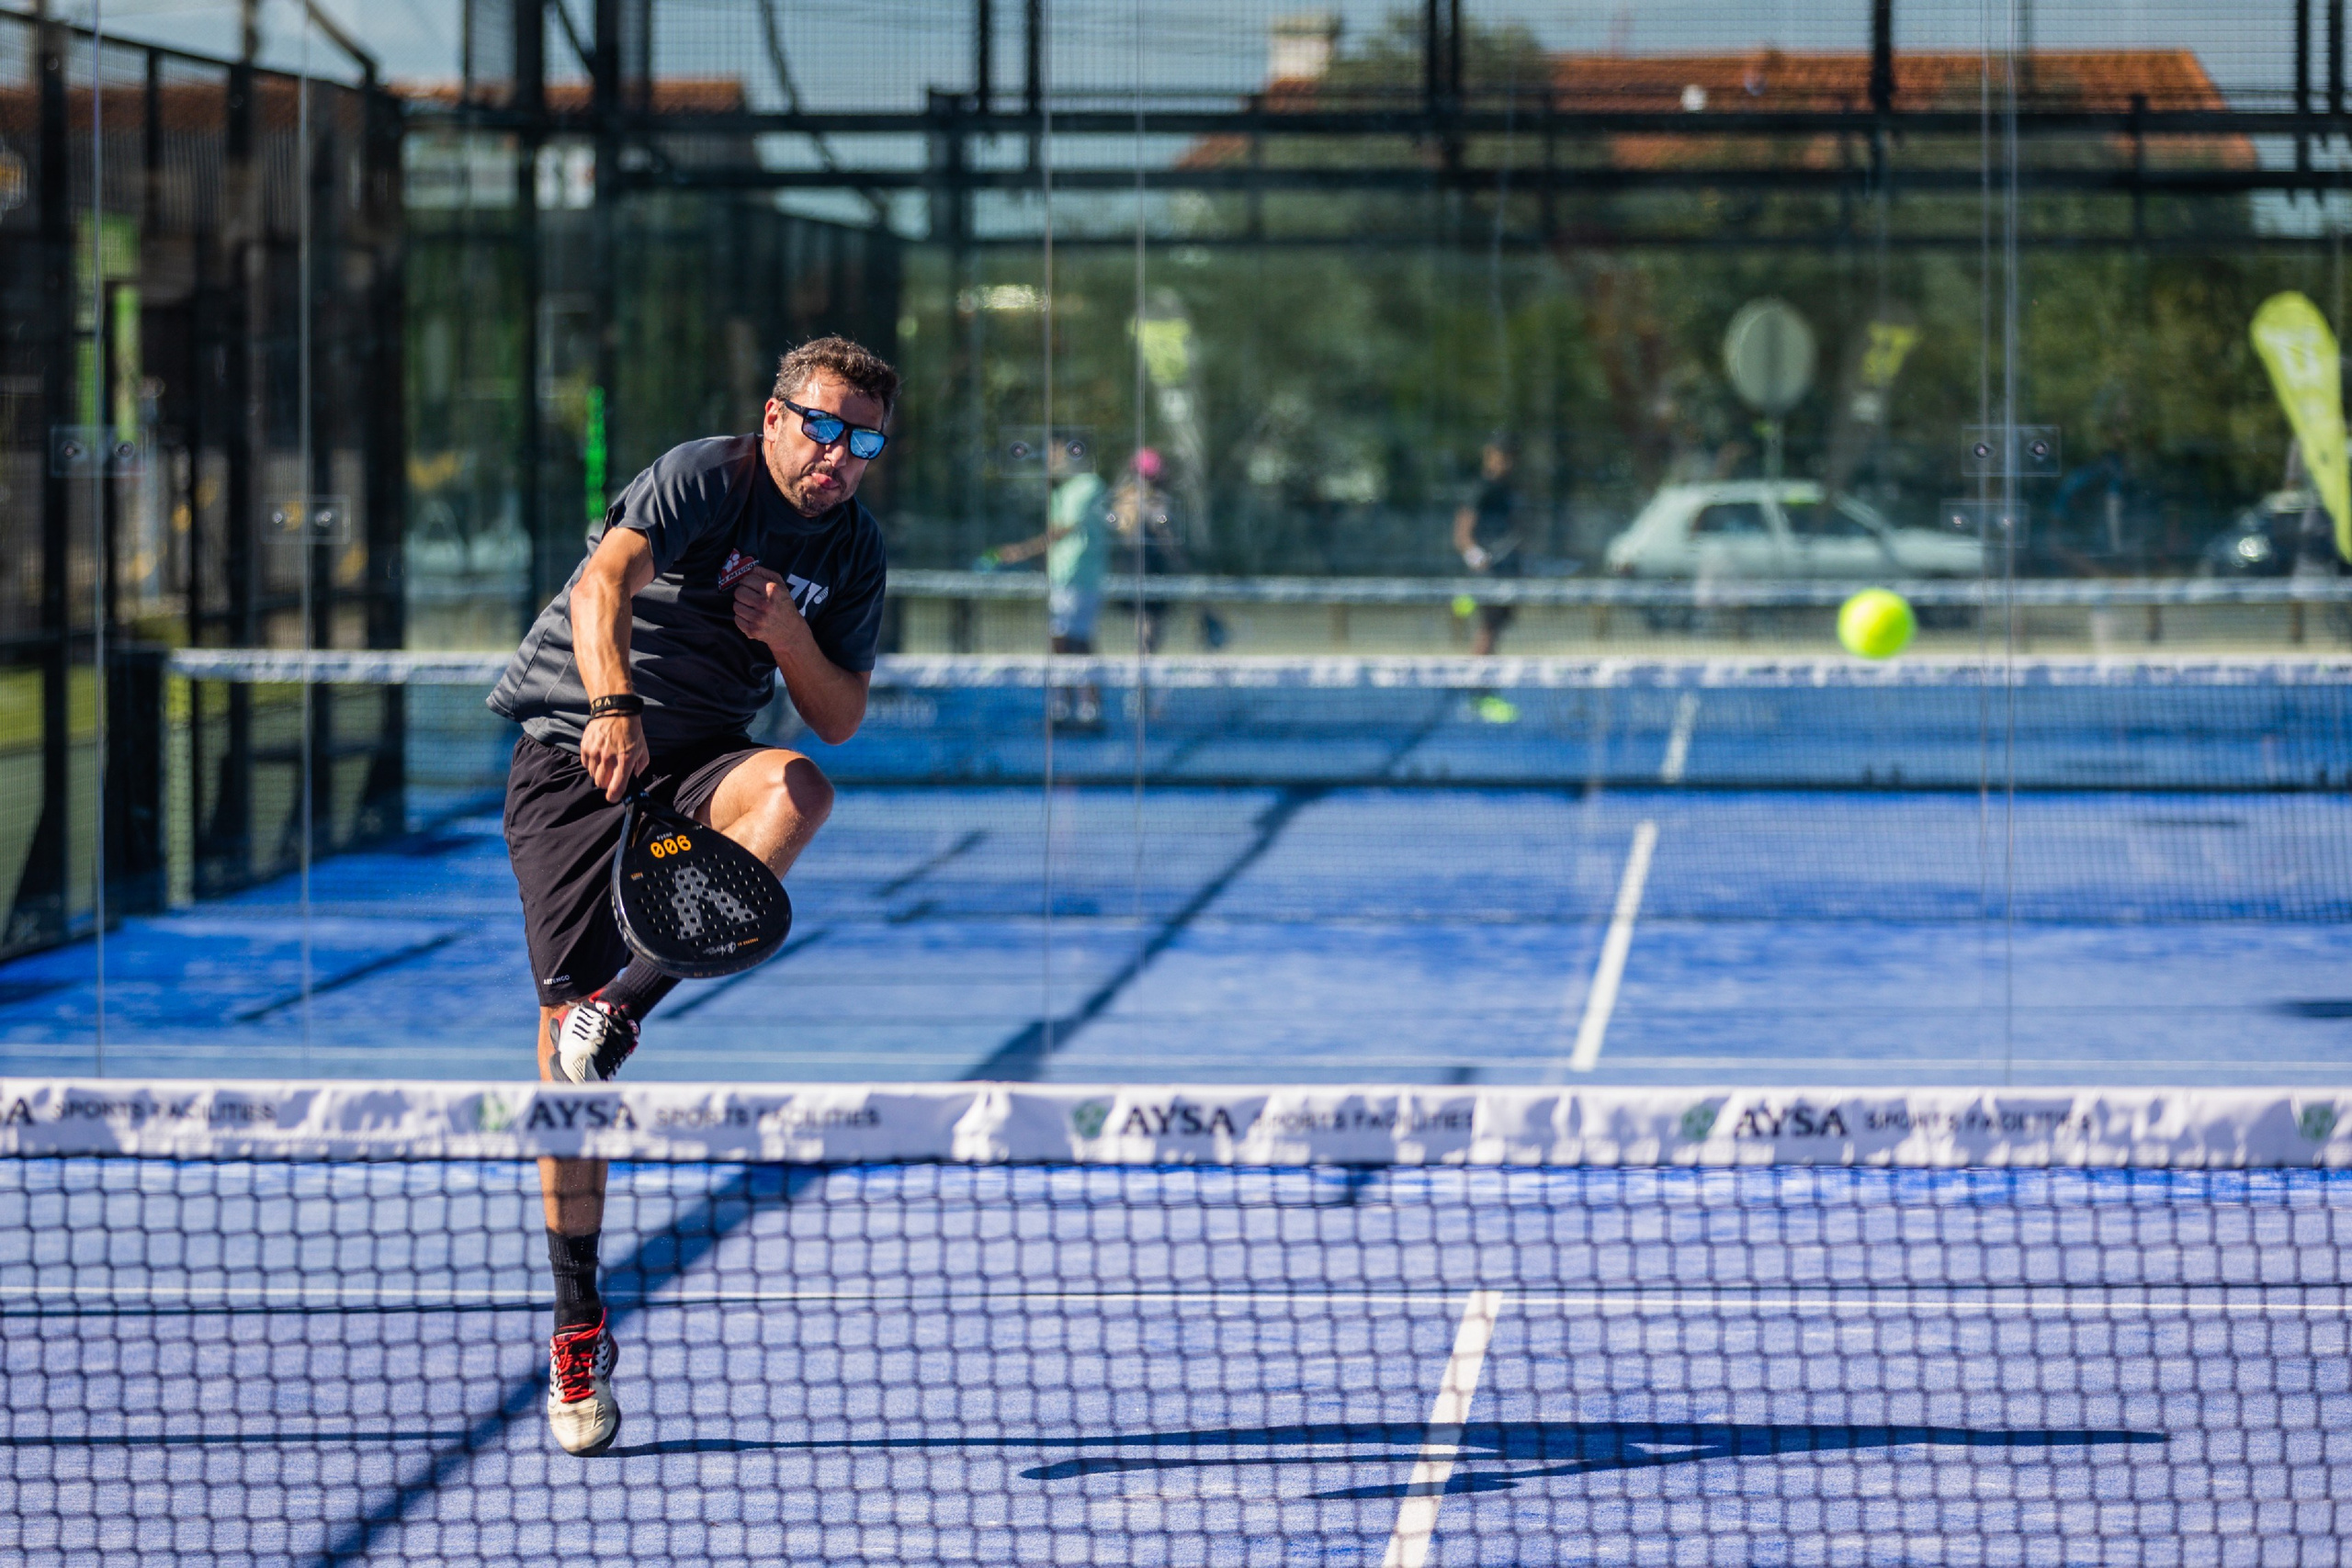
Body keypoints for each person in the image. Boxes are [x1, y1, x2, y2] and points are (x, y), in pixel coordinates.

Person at [485, 335, 898, 1456]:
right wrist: (613, 704)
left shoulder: (854, 549)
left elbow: (838, 716)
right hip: (575, 751)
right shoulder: (704, 475)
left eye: (863, 442)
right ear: (774, 418)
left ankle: (624, 1003)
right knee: (563, 1076)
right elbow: (602, 582)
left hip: (705, 757)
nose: (839, 456)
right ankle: (578, 1324)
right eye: (823, 427)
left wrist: (789, 634)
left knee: (800, 789)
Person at [982, 439, 1109, 722]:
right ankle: (1065, 705)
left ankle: (1089, 707)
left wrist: (1020, 551)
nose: (1051, 459)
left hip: (1081, 579)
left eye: (1057, 452)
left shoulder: (1090, 485)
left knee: (1075, 640)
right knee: (1063, 639)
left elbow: (1062, 530)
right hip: (1062, 578)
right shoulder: (1062, 491)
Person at [1453, 438, 1524, 657]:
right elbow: (1462, 535)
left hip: (1507, 569)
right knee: (1490, 625)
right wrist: (1477, 558)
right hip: (1487, 573)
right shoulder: (1479, 489)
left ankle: (1485, 670)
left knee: (1498, 624)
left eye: (1509, 459)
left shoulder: (1508, 489)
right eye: (1501, 458)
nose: (1506, 464)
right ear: (1489, 456)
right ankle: (1478, 673)